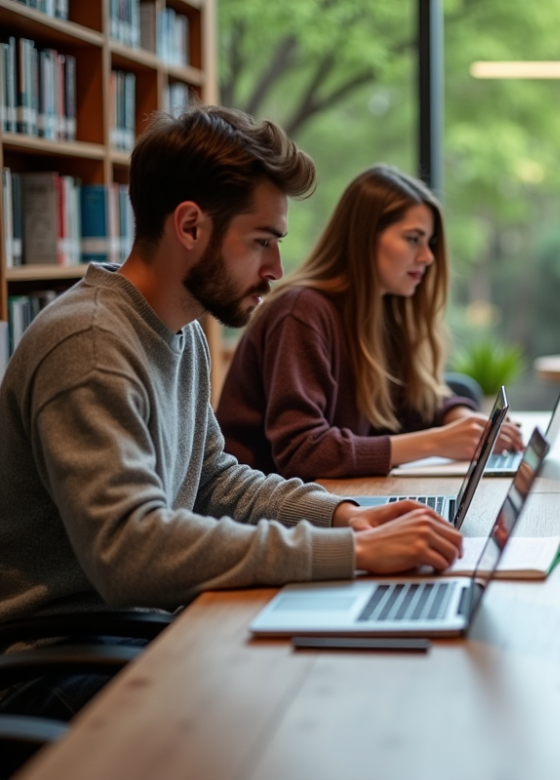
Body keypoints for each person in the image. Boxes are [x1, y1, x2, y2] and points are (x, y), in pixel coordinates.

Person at [0, 106, 462, 718]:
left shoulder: (181, 329)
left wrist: (344, 517)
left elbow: (215, 480)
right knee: (302, 707)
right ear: (190, 226)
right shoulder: (89, 346)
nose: (275, 269)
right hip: (62, 660)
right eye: (262, 242)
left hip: (140, 628)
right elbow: (131, 554)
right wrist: (349, 555)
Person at [216, 165, 522, 480]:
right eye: (413, 239)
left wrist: (462, 420)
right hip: (268, 517)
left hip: (328, 502)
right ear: (364, 239)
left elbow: (407, 404)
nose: (428, 257)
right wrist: (437, 442)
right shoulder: (301, 312)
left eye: (428, 242)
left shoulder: (378, 311)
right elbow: (303, 453)